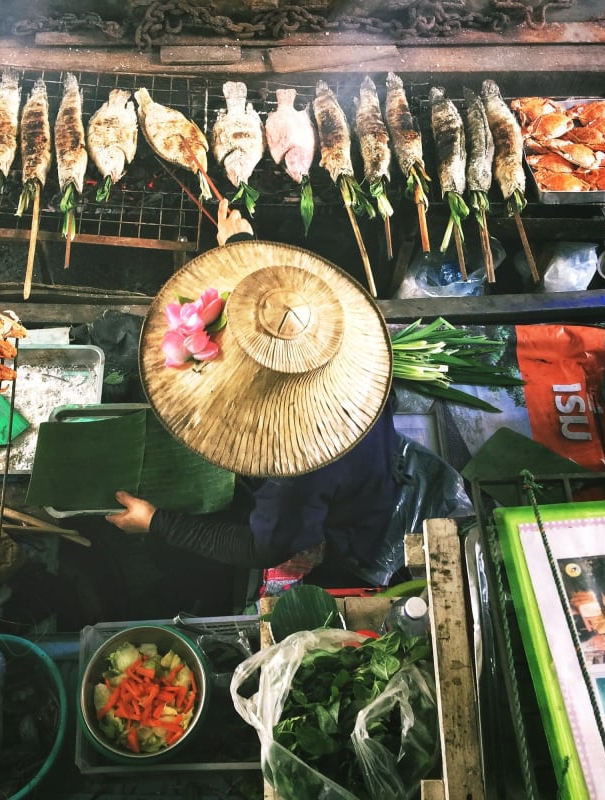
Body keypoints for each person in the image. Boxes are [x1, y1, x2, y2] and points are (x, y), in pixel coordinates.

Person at [105, 199, 405, 593]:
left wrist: (156, 522)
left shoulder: (292, 467)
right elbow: (279, 314)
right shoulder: (330, 326)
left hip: (356, 515)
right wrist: (242, 243)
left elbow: (260, 548)